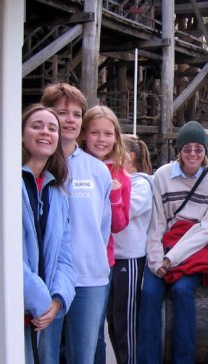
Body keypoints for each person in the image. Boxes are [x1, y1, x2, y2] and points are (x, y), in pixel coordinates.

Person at [0, 104, 76, 363]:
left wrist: (58, 299)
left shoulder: (57, 191)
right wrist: (42, 300)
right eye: (36, 126)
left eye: (52, 128)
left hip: (38, 311)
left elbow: (64, 253)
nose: (45, 132)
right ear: (20, 134)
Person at [137, 120, 208, 364]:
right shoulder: (162, 176)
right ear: (178, 150)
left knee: (182, 290)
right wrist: (157, 260)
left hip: (197, 246)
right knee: (149, 293)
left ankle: (184, 359)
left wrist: (171, 258)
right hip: (166, 241)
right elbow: (155, 223)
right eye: (186, 148)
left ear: (205, 151)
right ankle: (147, 360)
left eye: (198, 149)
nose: (192, 154)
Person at [41, 84, 113, 364]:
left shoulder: (97, 170)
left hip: (89, 279)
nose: (70, 119)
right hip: (46, 280)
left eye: (76, 114)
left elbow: (102, 227)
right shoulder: (38, 163)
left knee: (82, 356)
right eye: (61, 112)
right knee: (46, 355)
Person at [77, 105, 132, 364]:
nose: (101, 140)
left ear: (116, 138)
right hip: (67, 259)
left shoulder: (121, 175)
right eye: (95, 133)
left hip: (100, 262)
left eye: (108, 134)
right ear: (84, 134)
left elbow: (119, 225)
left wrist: (114, 195)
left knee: (93, 332)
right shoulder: (69, 165)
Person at [108, 135, 153, 364]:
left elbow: (124, 212)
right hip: (112, 260)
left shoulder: (141, 184)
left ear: (130, 156)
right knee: (114, 322)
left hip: (130, 259)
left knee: (126, 321)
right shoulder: (116, 181)